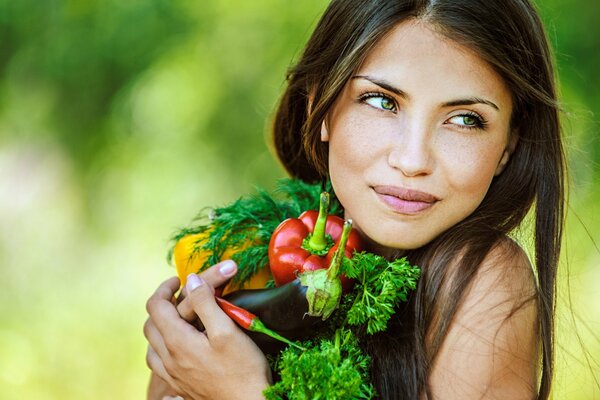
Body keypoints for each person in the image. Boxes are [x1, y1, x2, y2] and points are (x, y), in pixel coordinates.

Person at [143, 0, 565, 398]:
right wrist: (178, 369)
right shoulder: (269, 251)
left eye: (464, 119)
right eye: (382, 102)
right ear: (320, 110)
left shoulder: (483, 277)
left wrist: (244, 392)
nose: (412, 159)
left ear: (508, 144)